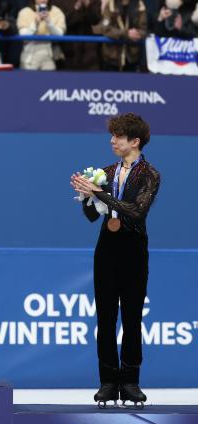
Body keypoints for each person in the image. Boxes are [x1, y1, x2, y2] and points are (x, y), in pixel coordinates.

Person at [71, 113, 160, 408]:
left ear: (134, 142)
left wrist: (101, 194)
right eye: (112, 135)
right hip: (106, 249)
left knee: (132, 319)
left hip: (134, 250)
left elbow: (136, 212)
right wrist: (87, 196)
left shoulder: (150, 174)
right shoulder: (105, 172)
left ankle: (131, 381)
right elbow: (92, 217)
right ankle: (108, 382)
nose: (112, 140)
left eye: (118, 136)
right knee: (106, 318)